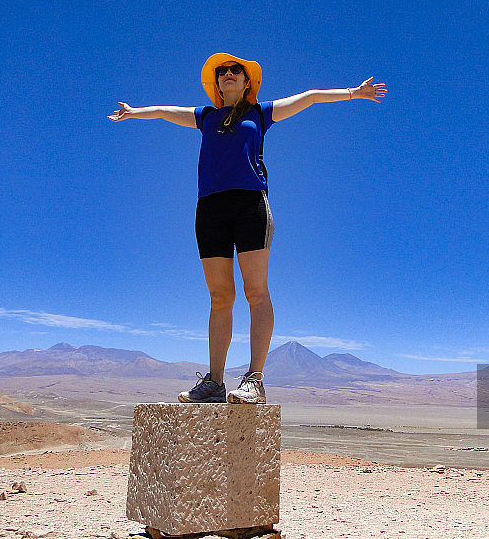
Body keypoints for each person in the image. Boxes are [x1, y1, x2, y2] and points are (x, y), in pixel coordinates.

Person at [108, 53, 386, 404]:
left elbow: (311, 97)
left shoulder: (260, 113)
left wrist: (354, 93)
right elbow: (165, 111)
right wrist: (134, 112)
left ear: (246, 80)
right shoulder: (205, 116)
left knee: (255, 292)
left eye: (235, 70)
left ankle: (254, 380)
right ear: (216, 83)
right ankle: (214, 383)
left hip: (250, 206)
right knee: (220, 296)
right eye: (221, 71)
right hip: (210, 209)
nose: (227, 74)